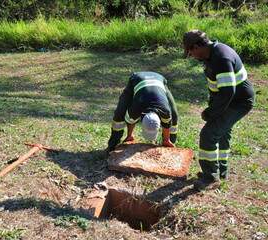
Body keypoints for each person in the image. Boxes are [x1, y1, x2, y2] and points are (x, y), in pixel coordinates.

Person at [183, 30, 255, 188]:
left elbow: (228, 92)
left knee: (208, 134)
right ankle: (220, 171)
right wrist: (213, 107)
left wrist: (211, 113)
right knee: (222, 133)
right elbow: (219, 88)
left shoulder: (221, 58)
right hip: (230, 100)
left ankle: (210, 179)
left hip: (238, 102)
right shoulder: (210, 54)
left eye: (190, 52)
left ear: (197, 46)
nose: (192, 56)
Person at [107, 71, 178, 151]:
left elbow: (167, 124)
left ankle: (170, 145)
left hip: (159, 80)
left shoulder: (165, 111)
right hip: (137, 79)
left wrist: (166, 140)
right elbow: (130, 121)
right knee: (119, 114)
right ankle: (113, 145)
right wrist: (129, 135)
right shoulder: (135, 109)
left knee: (174, 115)